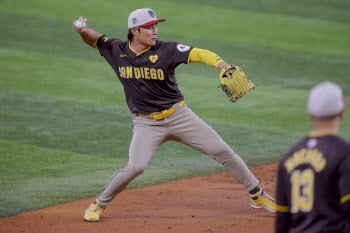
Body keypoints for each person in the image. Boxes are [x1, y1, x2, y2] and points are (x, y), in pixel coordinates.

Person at [73, 8, 276, 222]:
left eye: (156, 25)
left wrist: (222, 65)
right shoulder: (117, 50)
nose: (155, 31)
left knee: (223, 151)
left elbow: (199, 53)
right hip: (146, 123)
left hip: (180, 117)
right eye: (149, 27)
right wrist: (82, 30)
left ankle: (257, 195)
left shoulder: (167, 50)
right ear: (135, 31)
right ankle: (99, 203)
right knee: (135, 167)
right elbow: (95, 40)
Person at [275, 82, 350, 232]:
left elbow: (282, 218)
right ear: (342, 110)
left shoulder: (288, 158)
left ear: (310, 113)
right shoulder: (344, 153)